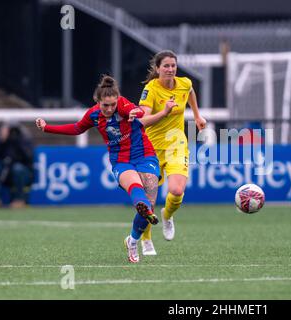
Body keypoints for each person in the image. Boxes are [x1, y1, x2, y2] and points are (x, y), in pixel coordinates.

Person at [36, 75, 176, 263]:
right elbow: (77, 128)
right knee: (135, 187)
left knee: (150, 200)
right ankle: (142, 213)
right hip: (121, 161)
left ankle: (132, 240)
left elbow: (138, 111)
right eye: (105, 105)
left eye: (112, 105)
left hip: (144, 155)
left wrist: (135, 113)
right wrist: (47, 128)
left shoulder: (123, 105)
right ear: (98, 102)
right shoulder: (93, 115)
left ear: (117, 100)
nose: (109, 109)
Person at [132, 50, 206, 255]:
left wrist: (197, 116)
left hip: (176, 144)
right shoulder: (151, 90)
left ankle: (167, 215)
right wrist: (164, 112)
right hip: (151, 149)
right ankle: (146, 240)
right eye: (166, 66)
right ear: (157, 68)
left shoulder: (184, 83)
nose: (170, 69)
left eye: (173, 65)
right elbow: (141, 120)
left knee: (176, 190)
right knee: (148, 201)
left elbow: (190, 92)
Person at [0, 122, 34, 208]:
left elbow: (29, 157)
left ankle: (19, 199)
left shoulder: (24, 139)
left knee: (17, 169)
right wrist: (2, 140)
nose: (12, 133)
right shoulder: (3, 141)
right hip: (5, 170)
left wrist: (18, 141)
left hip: (22, 172)